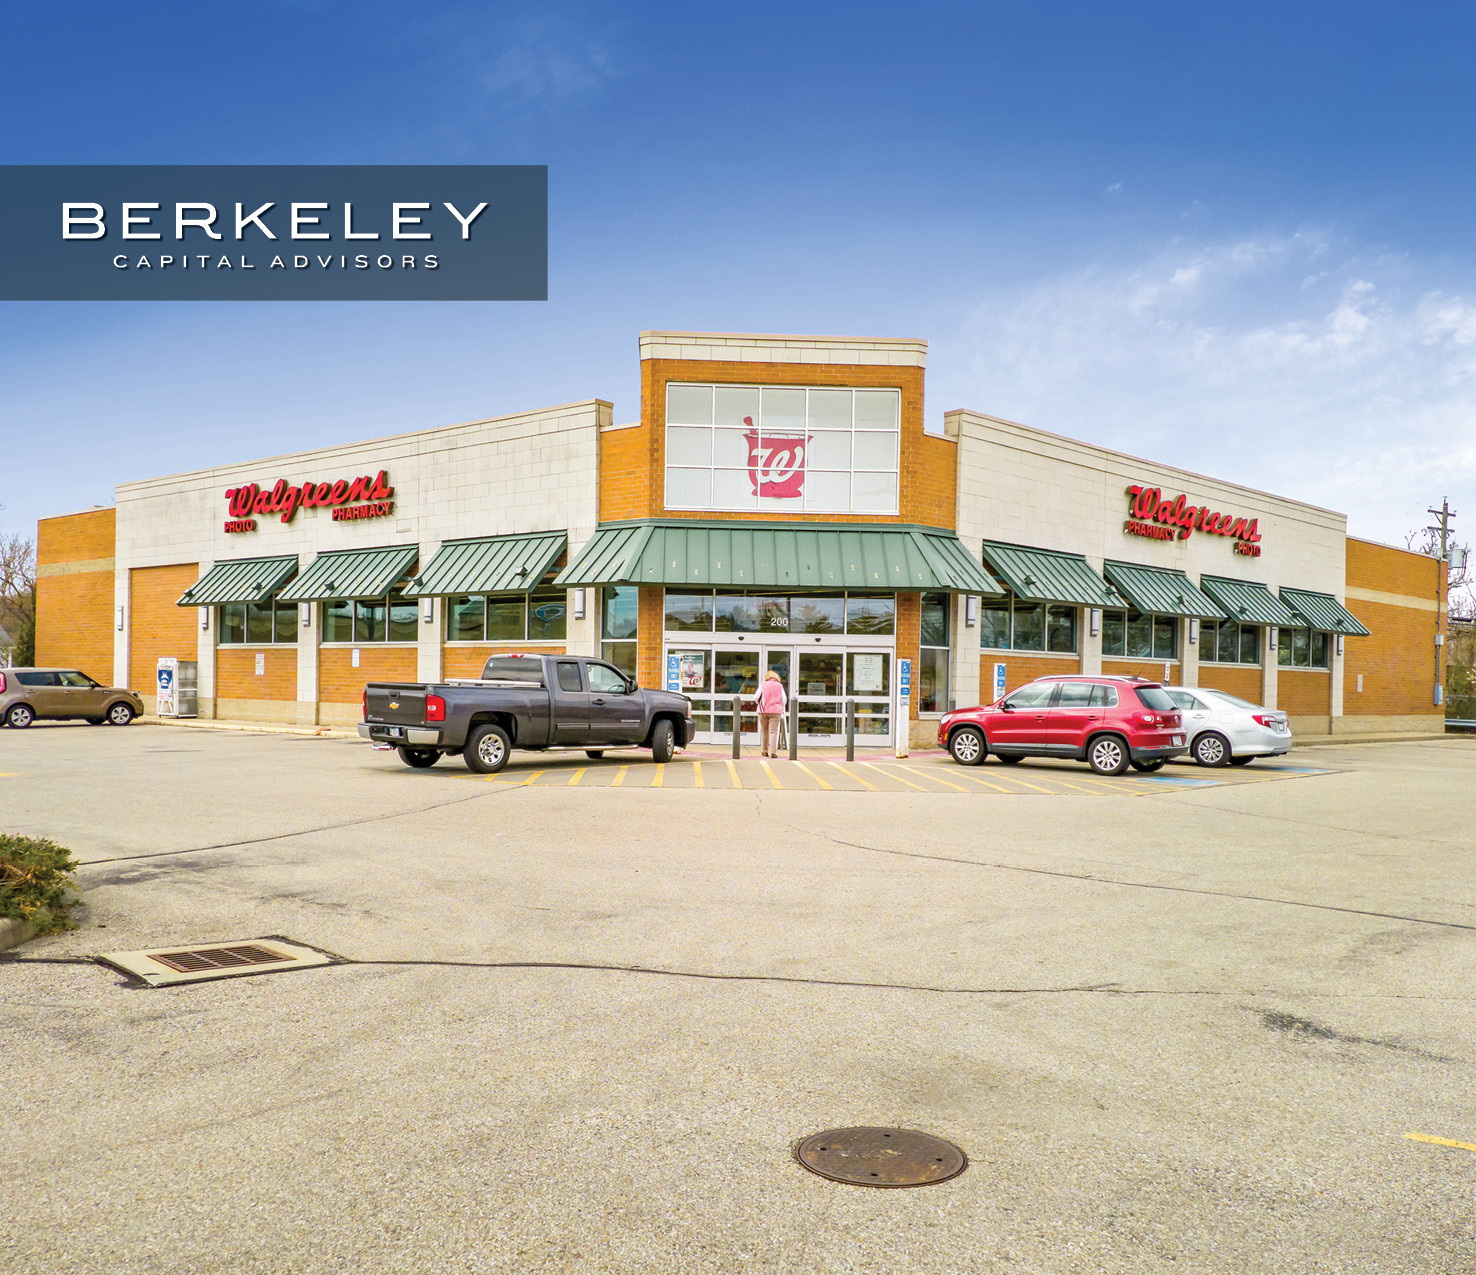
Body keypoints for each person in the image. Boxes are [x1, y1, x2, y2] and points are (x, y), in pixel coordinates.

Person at [755, 670, 787, 757]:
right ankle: (773, 753)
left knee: (764, 731)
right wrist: (779, 706)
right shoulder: (780, 686)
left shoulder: (763, 685)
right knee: (773, 732)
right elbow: (784, 700)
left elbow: (756, 697)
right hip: (775, 712)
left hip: (763, 711)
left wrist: (760, 703)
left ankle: (764, 751)